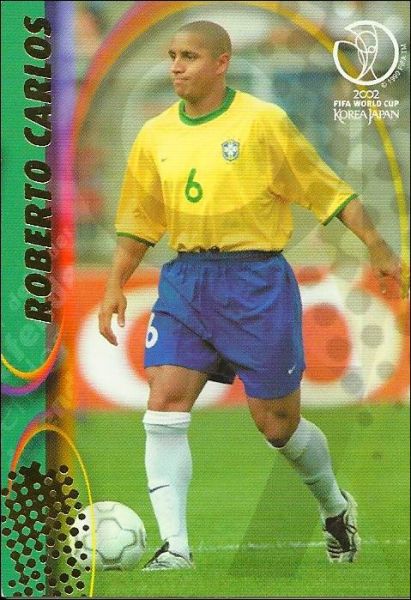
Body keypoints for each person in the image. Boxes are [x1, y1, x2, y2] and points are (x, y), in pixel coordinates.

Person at [98, 21, 404, 570]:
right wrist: (114, 284)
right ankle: (176, 548)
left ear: (222, 62)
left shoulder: (263, 123)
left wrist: (380, 248)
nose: (175, 67)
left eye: (189, 56)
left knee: (277, 425)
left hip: (256, 281)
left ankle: (334, 507)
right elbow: (139, 221)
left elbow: (327, 190)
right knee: (164, 402)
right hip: (187, 279)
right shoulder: (154, 135)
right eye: (171, 55)